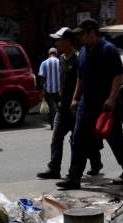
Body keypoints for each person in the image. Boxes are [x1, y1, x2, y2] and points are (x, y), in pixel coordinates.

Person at [58, 18, 123, 191]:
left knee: (115, 139)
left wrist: (112, 98)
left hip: (105, 106)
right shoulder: (83, 52)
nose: (80, 38)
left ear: (92, 33)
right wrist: (75, 98)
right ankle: (74, 177)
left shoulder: (108, 50)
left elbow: (118, 75)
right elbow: (80, 77)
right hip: (86, 104)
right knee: (78, 139)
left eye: (82, 34)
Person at [36, 27, 103, 180]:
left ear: (67, 41)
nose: (56, 44)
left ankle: (92, 163)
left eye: (58, 40)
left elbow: (85, 82)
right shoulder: (61, 59)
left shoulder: (79, 59)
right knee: (56, 138)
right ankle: (54, 168)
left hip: (76, 108)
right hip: (62, 107)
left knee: (78, 141)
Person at [37, 48, 61, 128]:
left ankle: (52, 124)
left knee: (51, 108)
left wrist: (42, 90)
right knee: (58, 107)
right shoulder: (60, 62)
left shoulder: (44, 63)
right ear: (56, 53)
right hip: (59, 90)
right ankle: (58, 124)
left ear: (49, 54)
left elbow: (42, 78)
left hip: (48, 90)